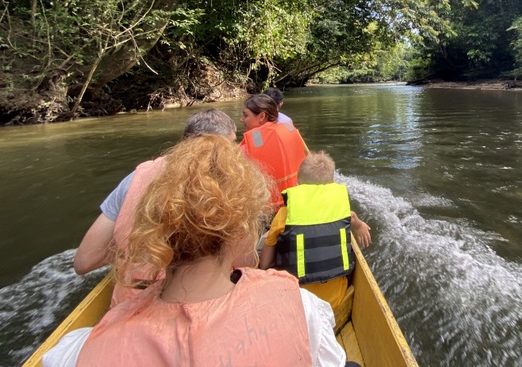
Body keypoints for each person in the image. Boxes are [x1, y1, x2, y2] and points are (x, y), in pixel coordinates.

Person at [46, 135, 348, 367]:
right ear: (242, 232)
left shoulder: (77, 350)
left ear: (153, 231)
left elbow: (83, 261)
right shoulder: (300, 303)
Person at [73, 109, 240, 305]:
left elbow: (83, 261)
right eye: (232, 144)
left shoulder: (134, 179)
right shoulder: (225, 181)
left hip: (128, 302)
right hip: (186, 303)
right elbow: (244, 262)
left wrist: (136, 247)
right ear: (219, 147)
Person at [259, 151, 372, 312]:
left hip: (296, 302)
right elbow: (352, 217)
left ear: (298, 184)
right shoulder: (342, 208)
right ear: (332, 183)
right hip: (335, 301)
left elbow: (264, 263)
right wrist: (359, 226)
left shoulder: (284, 214)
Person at [240, 94, 308, 207]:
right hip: (297, 202)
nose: (241, 119)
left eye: (245, 115)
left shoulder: (245, 148)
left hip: (268, 208)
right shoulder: (292, 132)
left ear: (262, 116)